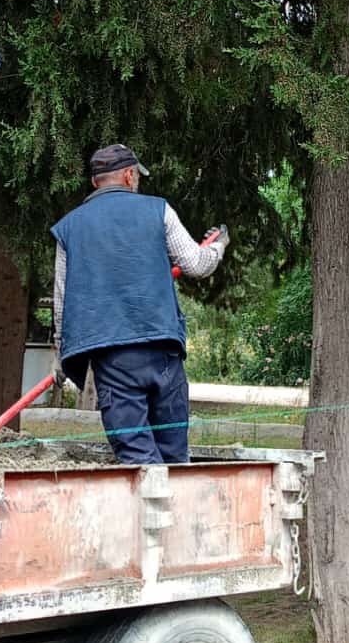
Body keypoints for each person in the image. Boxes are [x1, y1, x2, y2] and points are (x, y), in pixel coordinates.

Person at [51, 143, 229, 466]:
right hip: (164, 354)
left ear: (95, 182)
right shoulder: (159, 211)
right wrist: (218, 247)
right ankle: (176, 513)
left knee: (138, 460)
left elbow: (63, 304)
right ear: (130, 175)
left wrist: (60, 355)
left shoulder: (69, 229)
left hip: (114, 359)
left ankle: (156, 513)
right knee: (175, 458)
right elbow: (197, 264)